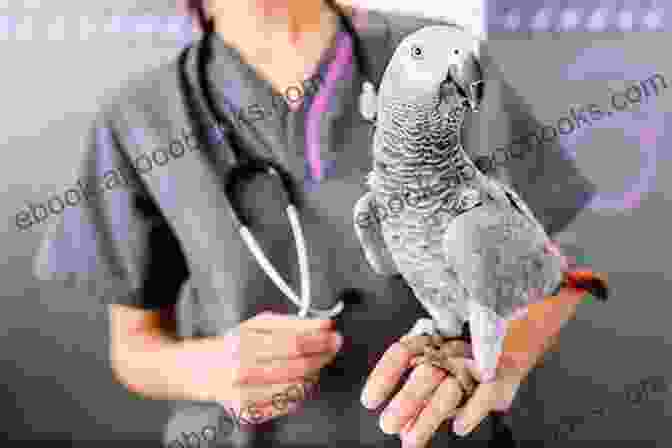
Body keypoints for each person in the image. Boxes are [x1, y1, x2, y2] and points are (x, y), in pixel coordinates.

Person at [33, 0, 604, 447]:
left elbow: (557, 271)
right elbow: (133, 350)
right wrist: (211, 370)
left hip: (435, 431)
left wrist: (501, 360)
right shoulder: (140, 116)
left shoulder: (439, 58)